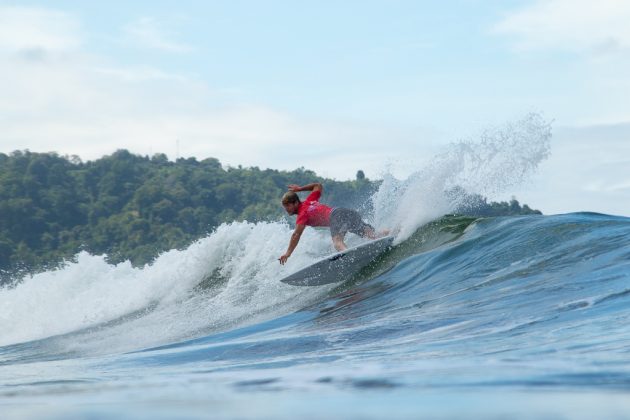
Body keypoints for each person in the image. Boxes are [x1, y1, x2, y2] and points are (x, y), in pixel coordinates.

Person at [279, 182, 387, 265]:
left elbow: (296, 235)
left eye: (288, 206)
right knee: (373, 235)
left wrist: (288, 253)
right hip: (346, 212)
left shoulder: (302, 214)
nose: (286, 209)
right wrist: (300, 189)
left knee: (337, 243)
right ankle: (397, 231)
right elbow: (318, 185)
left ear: (296, 203)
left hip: (336, 216)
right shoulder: (310, 200)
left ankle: (351, 259)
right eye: (285, 207)